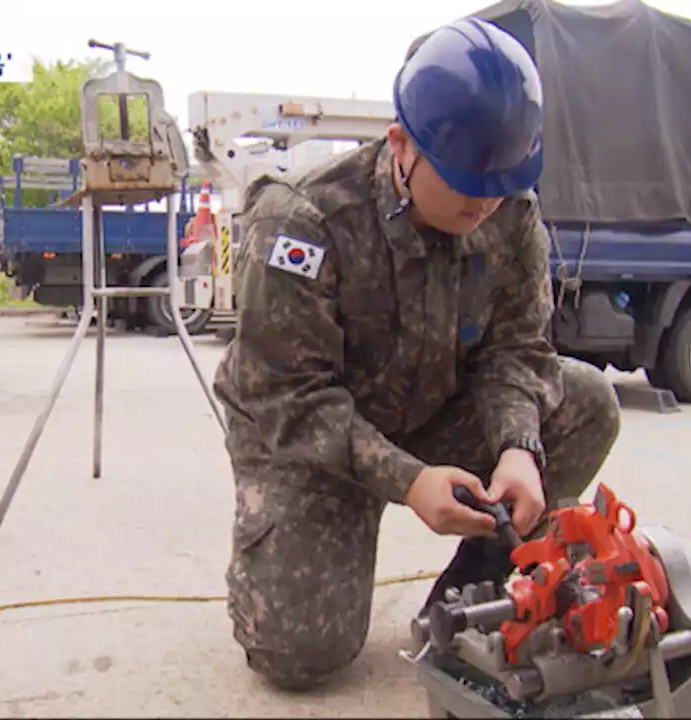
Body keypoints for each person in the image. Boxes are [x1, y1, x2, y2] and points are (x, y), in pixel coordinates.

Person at [210, 16, 622, 691]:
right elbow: (289, 398)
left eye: (501, 183)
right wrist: (406, 480)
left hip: (428, 408)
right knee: (300, 659)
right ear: (400, 144)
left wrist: (518, 447)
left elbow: (518, 351)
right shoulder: (306, 222)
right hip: (313, 444)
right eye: (467, 183)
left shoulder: (511, 215)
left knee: (586, 404)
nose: (486, 203)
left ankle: (477, 594)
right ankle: (276, 550)